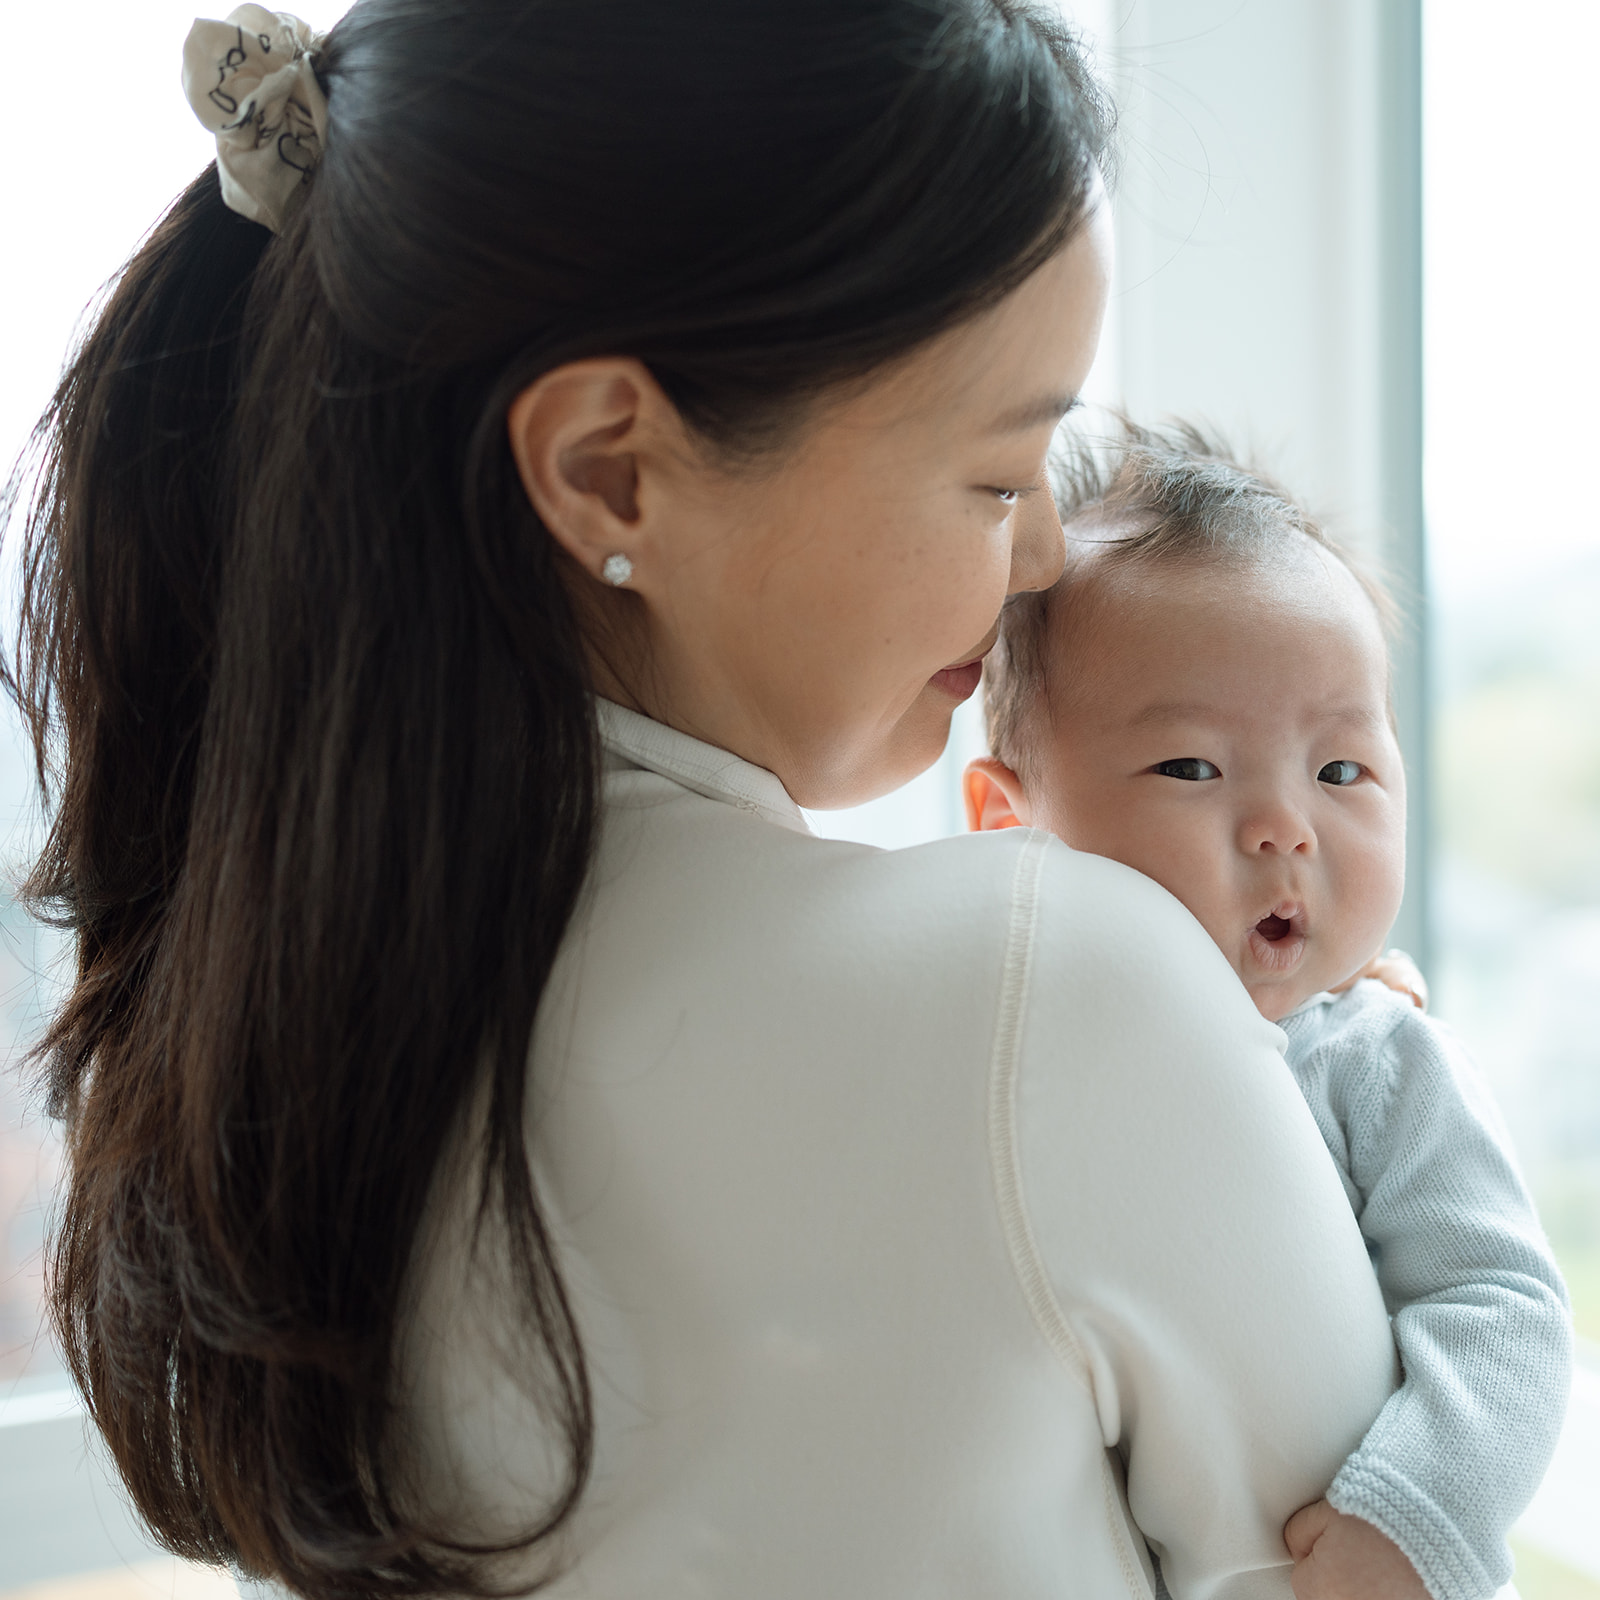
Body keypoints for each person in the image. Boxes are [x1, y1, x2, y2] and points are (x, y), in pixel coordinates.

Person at [7, 4, 1409, 1597]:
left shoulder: (272, 1045)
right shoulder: (1053, 987)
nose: (1036, 565)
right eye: (1000, 475)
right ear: (614, 469)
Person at [966, 423, 1573, 1600]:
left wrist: (1417, 1516)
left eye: (1341, 772)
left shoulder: (1371, 1057)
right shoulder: (1003, 1050)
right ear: (1009, 824)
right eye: (1192, 769)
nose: (1284, 825)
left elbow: (1501, 1309)